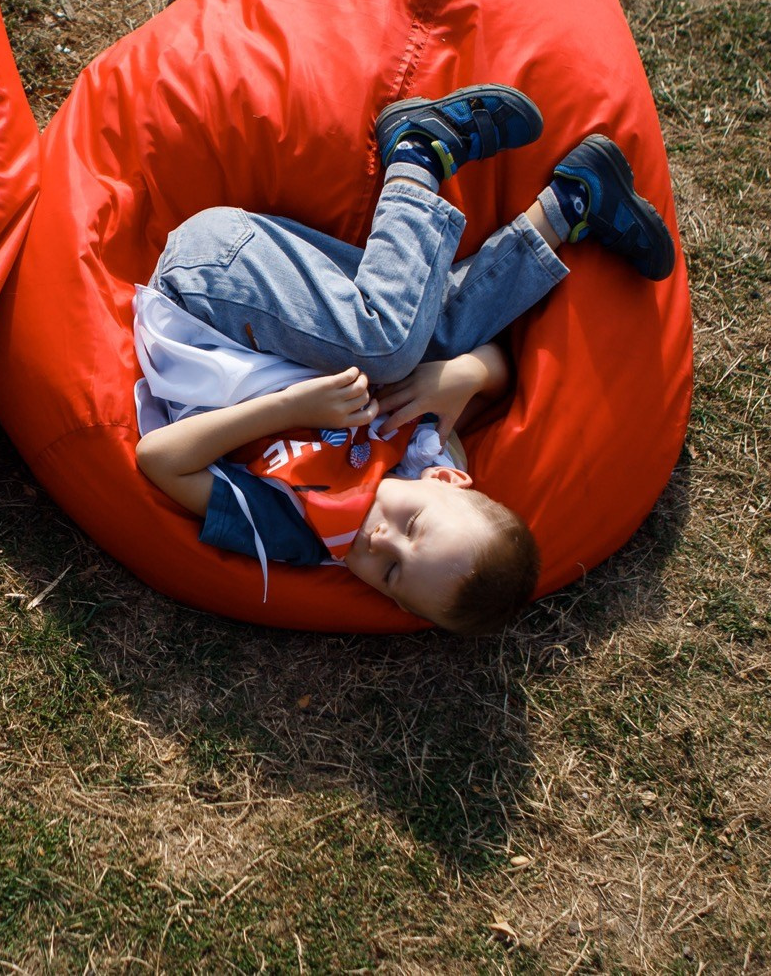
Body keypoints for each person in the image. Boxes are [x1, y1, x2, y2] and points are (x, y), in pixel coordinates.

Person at [134, 85, 674, 634]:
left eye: (391, 572)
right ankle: (555, 205)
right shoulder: (420, 451)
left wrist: (288, 408)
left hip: (200, 300)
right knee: (428, 351)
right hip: (243, 270)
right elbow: (488, 365)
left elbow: (159, 459)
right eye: (413, 526)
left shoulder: (296, 530)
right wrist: (467, 375)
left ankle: (455, 168)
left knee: (394, 350)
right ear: (446, 480)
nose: (380, 540)